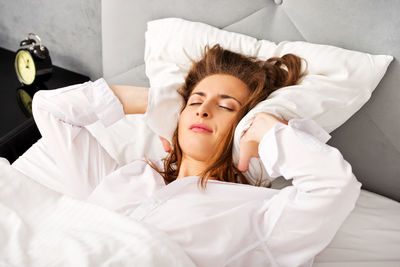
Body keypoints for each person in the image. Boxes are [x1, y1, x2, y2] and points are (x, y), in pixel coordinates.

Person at [31, 44, 361, 267]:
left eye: (226, 106)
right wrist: (155, 102)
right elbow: (50, 109)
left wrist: (264, 128)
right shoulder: (120, 178)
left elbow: (335, 186)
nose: (203, 110)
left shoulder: (260, 214)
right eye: (194, 102)